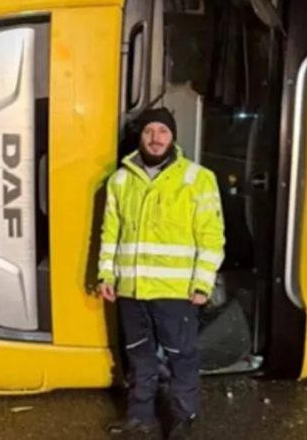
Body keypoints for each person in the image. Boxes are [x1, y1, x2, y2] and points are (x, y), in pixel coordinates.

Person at [96, 108, 226, 439]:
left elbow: (211, 237)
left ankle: (183, 419)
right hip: (132, 291)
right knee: (139, 357)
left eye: (163, 131)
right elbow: (110, 233)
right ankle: (140, 417)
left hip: (176, 291)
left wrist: (203, 283)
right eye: (149, 131)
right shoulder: (120, 180)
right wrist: (106, 275)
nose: (155, 138)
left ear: (173, 137)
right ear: (140, 137)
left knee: (181, 357)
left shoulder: (198, 178)